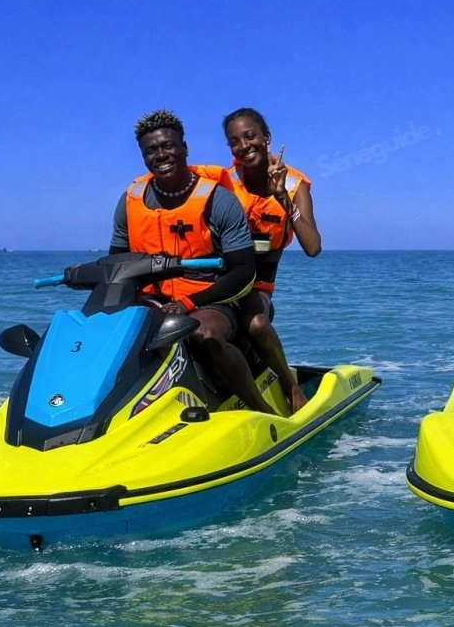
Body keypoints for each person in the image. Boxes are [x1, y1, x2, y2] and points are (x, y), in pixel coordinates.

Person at [108, 108, 283, 416]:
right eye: (151, 150)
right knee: (112, 332)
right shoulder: (130, 199)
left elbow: (244, 271)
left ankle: (260, 410)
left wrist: (189, 303)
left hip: (211, 300)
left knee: (201, 334)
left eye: (168, 146)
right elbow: (116, 262)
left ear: (184, 148)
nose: (161, 154)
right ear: (143, 156)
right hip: (153, 299)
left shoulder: (218, 200)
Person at [215, 107, 322, 412]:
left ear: (266, 138)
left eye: (250, 136)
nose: (244, 146)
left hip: (258, 285)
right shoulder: (223, 183)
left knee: (258, 324)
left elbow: (313, 247)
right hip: (220, 279)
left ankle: (290, 385)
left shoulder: (294, 185)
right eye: (234, 141)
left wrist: (283, 201)